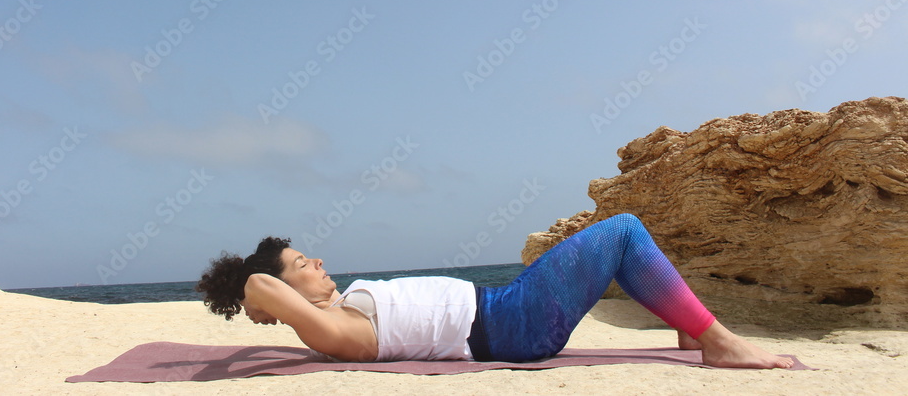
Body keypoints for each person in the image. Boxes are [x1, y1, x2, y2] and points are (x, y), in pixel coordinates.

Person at [196, 213, 794, 369]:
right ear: (281, 287)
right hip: (513, 324)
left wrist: (269, 309)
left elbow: (264, 289)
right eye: (302, 262)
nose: (318, 262)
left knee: (615, 242)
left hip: (506, 308)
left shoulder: (342, 311)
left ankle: (691, 331)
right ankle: (716, 339)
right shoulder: (337, 333)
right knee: (623, 233)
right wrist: (258, 304)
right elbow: (253, 283)